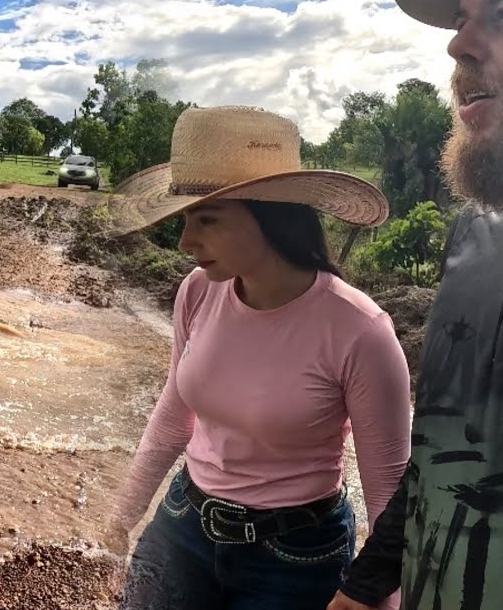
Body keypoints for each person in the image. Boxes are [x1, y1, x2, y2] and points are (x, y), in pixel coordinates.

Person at [328, 0, 503, 610]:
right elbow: (441, 452)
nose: (457, 46)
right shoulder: (474, 232)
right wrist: (362, 589)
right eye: (462, 20)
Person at [104, 105, 412, 609]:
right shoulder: (198, 293)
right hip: (185, 523)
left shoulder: (360, 331)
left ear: (270, 215)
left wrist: (375, 597)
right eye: (185, 219)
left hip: (297, 555)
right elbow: (172, 414)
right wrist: (122, 517)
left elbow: (387, 491)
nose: (185, 241)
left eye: (207, 219)